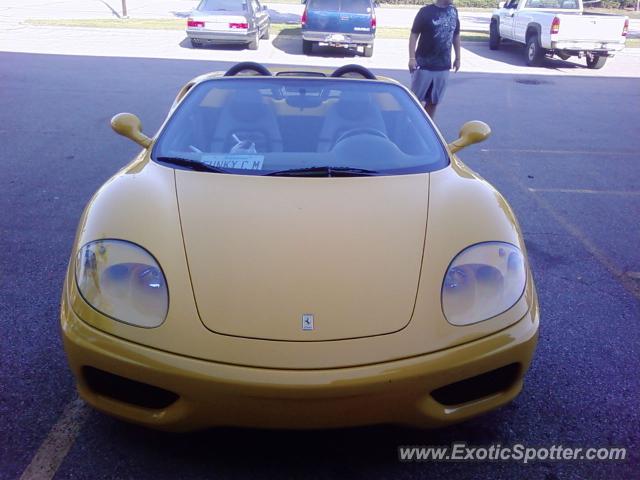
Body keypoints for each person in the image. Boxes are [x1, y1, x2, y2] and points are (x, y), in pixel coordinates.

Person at [408, 0, 461, 119]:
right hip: (423, 65)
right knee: (415, 102)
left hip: (443, 66)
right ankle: (410, 126)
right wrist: (412, 58)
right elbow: (414, 34)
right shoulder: (425, 12)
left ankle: (426, 129)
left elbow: (456, 35)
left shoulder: (453, 11)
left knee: (433, 102)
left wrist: (458, 58)